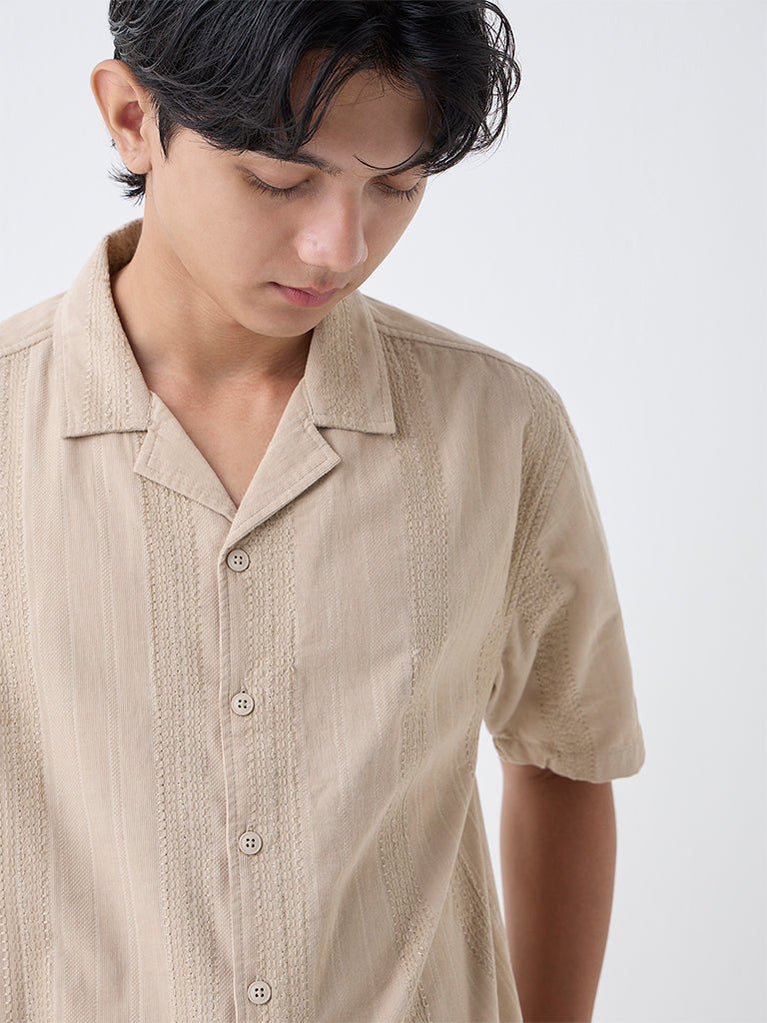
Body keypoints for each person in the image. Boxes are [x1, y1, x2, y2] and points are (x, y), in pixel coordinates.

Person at [0, 2, 644, 1021]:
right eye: (278, 178)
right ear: (132, 118)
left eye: (395, 186)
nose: (337, 246)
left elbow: (565, 755)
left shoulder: (499, 425)